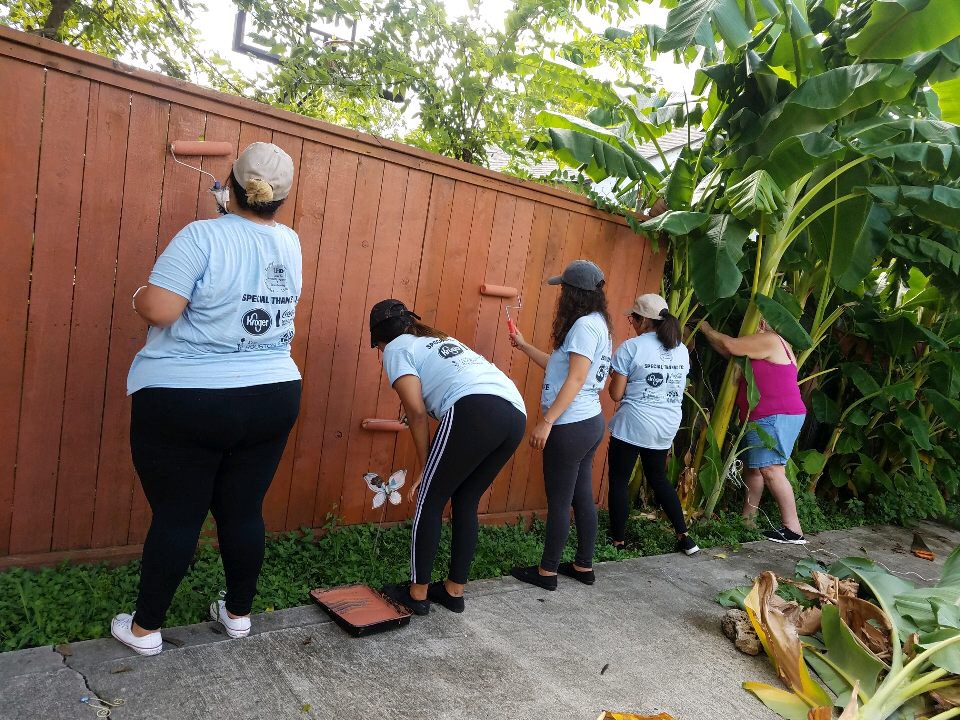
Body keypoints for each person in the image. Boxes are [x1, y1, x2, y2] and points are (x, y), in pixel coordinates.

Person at [111, 143, 303, 655]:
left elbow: (159, 309)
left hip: (188, 397)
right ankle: (238, 616)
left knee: (178, 516)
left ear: (231, 184)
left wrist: (139, 295)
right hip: (272, 394)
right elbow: (248, 247)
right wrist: (231, 214)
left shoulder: (201, 236)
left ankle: (145, 629)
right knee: (243, 511)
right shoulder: (290, 243)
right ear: (281, 198)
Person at [370, 299, 527, 615]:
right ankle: (454, 591)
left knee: (430, 498)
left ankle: (416, 594)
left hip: (475, 408)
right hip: (514, 412)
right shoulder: (437, 339)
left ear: (379, 341)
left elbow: (415, 412)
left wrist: (426, 466)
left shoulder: (395, 349)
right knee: (466, 498)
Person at [508, 260, 612, 590]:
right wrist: (524, 347)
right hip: (589, 421)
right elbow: (563, 368)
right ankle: (584, 566)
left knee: (559, 501)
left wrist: (547, 421)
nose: (561, 295)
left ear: (573, 294)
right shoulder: (598, 324)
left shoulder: (582, 327)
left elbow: (577, 378)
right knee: (581, 497)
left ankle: (547, 572)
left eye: (564, 289)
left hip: (570, 425)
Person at [699, 318, 807, 544]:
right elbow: (729, 352)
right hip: (772, 414)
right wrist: (708, 336)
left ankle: (793, 529)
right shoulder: (773, 345)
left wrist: (706, 328)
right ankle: (748, 521)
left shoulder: (769, 339)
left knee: (771, 470)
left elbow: (730, 345)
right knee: (754, 470)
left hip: (775, 414)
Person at [607, 294, 698, 556]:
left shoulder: (631, 347)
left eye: (633, 318)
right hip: (666, 423)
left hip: (634, 423)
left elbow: (615, 395)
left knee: (619, 479)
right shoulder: (681, 348)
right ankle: (684, 536)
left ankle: (618, 541)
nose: (632, 322)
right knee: (658, 477)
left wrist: (617, 376)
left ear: (644, 320)